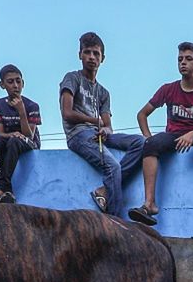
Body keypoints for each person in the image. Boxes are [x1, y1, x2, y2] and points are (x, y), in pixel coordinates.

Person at [135, 42, 193, 227]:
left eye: (188, 59)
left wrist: (192, 135)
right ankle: (149, 204)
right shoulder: (167, 89)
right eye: (180, 59)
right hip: (174, 135)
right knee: (150, 145)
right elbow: (142, 114)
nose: (183, 63)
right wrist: (148, 137)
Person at [61, 31, 144, 215]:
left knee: (140, 142)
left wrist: (105, 130)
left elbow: (107, 125)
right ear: (80, 55)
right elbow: (67, 114)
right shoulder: (72, 78)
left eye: (96, 54)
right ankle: (115, 221)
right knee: (113, 167)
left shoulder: (103, 92)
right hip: (79, 135)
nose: (91, 57)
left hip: (98, 135)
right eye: (87, 52)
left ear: (102, 58)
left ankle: (105, 190)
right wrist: (93, 120)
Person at [0, 64, 39, 205]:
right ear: (2, 85)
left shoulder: (32, 106)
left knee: (14, 142)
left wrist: (21, 111)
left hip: (28, 143)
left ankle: (0, 188)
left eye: (18, 81)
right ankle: (7, 189)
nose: (15, 85)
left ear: (23, 83)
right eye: (10, 82)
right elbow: (0, 134)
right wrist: (13, 134)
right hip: (10, 140)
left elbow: (29, 135)